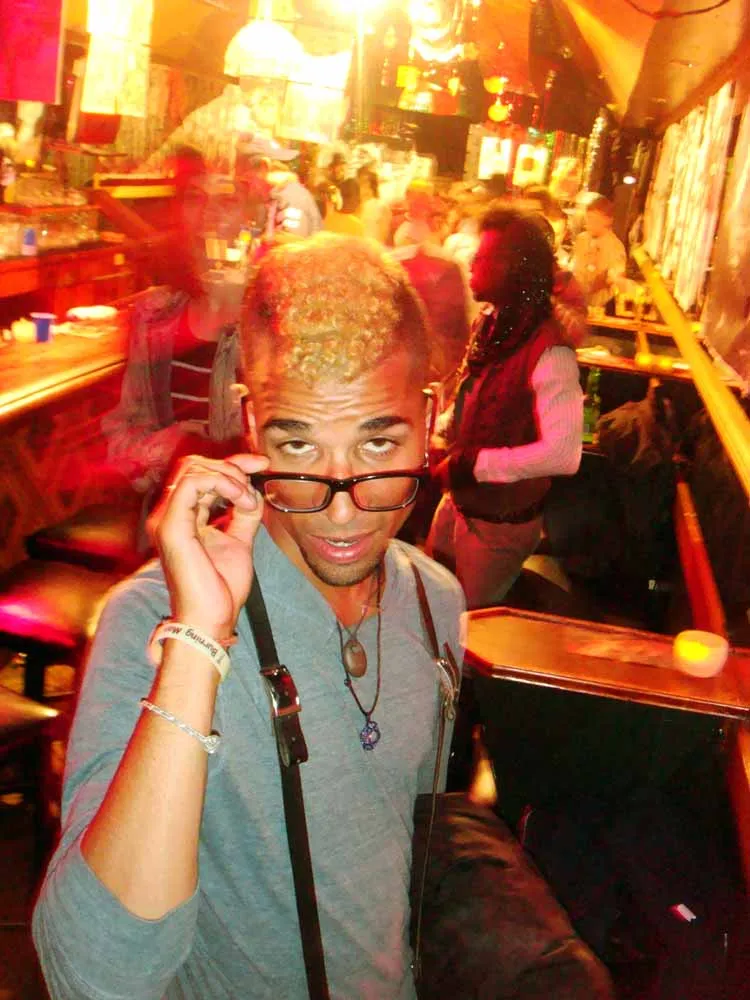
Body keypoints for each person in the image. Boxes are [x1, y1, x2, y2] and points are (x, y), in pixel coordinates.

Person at [33, 234, 465, 999]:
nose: (341, 510)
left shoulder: (437, 601)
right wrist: (200, 642)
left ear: (430, 416)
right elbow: (93, 975)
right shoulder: (157, 619)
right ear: (250, 420)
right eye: (298, 443)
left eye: (378, 443)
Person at [427, 208, 583, 608]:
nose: (471, 263)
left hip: (499, 527)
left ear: (514, 269)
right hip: (460, 502)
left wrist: (473, 465)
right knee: (427, 599)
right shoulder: (491, 323)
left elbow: (564, 454)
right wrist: (442, 430)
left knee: (464, 623)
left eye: (483, 257)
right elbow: (474, 393)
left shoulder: (552, 352)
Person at [101, 154, 247, 536]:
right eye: (196, 198)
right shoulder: (153, 316)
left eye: (227, 201)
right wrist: (172, 445)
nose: (209, 215)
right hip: (167, 529)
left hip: (254, 528)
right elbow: (119, 436)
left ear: (254, 216)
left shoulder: (275, 327)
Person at [572, 196, 627, 310]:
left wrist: (605, 280)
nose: (588, 223)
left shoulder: (615, 247)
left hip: (599, 307)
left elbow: (615, 278)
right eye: (588, 218)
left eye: (593, 219)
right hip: (575, 303)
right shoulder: (581, 239)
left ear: (607, 220)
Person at [358, 165, 392, 243]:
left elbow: (384, 235)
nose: (361, 186)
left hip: (373, 246)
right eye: (360, 182)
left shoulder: (381, 206)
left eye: (364, 182)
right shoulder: (355, 206)